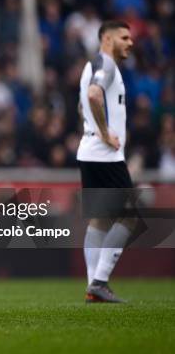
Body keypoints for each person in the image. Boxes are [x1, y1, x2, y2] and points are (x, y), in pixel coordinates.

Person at [78, 20, 136, 303]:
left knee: (100, 219)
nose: (130, 42)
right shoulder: (107, 65)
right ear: (108, 39)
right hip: (105, 154)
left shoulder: (89, 66)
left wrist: (91, 127)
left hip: (87, 152)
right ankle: (100, 281)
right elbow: (93, 95)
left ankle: (93, 286)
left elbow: (81, 105)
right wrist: (103, 132)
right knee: (129, 215)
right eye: (124, 37)